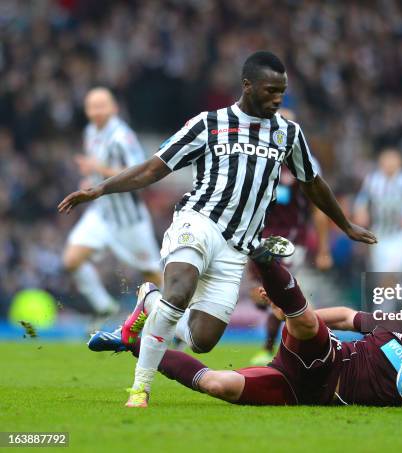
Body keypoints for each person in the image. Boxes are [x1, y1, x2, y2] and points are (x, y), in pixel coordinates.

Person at [58, 51, 376, 407]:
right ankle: (139, 389)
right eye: (271, 90)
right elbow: (153, 168)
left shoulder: (288, 134)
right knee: (177, 295)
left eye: (282, 92)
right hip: (198, 221)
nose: (277, 99)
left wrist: (344, 224)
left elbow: (312, 182)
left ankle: (148, 299)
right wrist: (100, 188)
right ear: (247, 85)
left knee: (202, 340)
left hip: (237, 247)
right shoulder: (208, 123)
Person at [89, 238, 402, 412]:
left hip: (303, 390)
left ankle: (136, 340)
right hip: (323, 357)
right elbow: (348, 317)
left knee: (219, 384)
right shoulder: (401, 330)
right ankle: (267, 262)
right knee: (308, 328)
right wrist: (290, 314)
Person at [62, 87, 162, 323]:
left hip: (129, 220)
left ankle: (173, 321)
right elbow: (97, 170)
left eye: (101, 106)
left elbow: (139, 172)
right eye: (92, 107)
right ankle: (104, 306)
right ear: (86, 110)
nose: (96, 111)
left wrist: (98, 169)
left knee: (152, 274)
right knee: (71, 259)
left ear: (114, 107)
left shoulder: (122, 137)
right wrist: (90, 180)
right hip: (102, 214)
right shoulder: (91, 132)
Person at [248, 107, 333, 366]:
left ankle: (270, 349)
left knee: (278, 291)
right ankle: (293, 335)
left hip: (290, 239)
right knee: (260, 297)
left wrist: (323, 249)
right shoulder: (256, 156)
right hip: (257, 236)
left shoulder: (304, 161)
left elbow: (319, 209)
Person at [354, 148, 402, 272]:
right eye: (386, 160)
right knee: (381, 274)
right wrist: (361, 214)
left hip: (401, 234)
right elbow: (361, 202)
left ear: (400, 163)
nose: (389, 164)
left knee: (394, 272)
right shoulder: (372, 181)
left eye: (392, 160)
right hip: (379, 233)